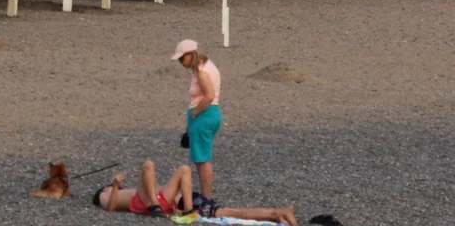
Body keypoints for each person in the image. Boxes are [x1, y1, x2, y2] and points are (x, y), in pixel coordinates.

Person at [173, 39, 221, 198]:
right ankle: (206, 197)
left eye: (182, 58)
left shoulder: (201, 71)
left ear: (191, 54)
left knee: (202, 160)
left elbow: (209, 96)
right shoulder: (207, 66)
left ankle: (206, 198)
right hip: (211, 115)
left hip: (204, 115)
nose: (181, 62)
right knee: (202, 158)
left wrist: (195, 113)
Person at [91, 161, 193, 217]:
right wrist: (115, 185)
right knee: (148, 165)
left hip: (161, 200)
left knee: (185, 169)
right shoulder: (104, 193)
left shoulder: (123, 191)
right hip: (144, 202)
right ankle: (155, 206)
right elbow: (110, 208)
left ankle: (189, 210)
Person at [179, 191, 299, 226]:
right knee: (241, 213)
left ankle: (278, 213)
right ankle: (278, 214)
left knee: (241, 214)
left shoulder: (170, 195)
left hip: (205, 208)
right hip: (205, 206)